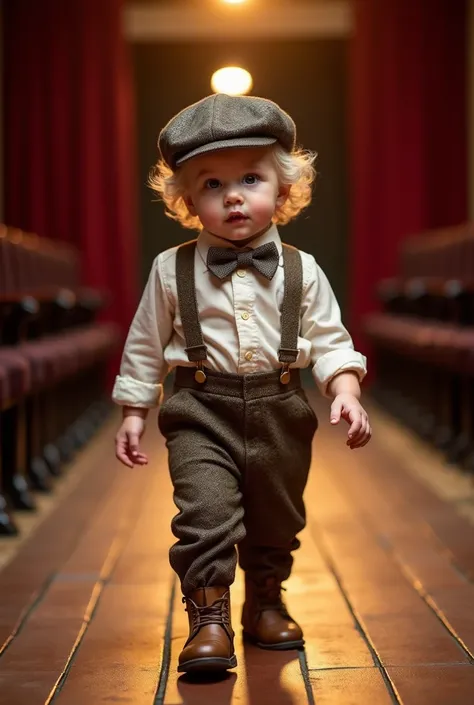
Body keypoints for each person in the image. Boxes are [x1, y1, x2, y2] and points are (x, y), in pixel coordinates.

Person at [112, 93, 371, 675]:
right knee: (204, 513)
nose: (232, 195)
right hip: (200, 407)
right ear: (186, 201)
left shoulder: (303, 269)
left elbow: (329, 339)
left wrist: (346, 390)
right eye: (211, 184)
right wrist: (134, 409)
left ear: (282, 191)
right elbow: (145, 343)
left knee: (275, 515)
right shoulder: (170, 269)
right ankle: (208, 618)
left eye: (249, 178)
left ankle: (266, 600)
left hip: (283, 408)